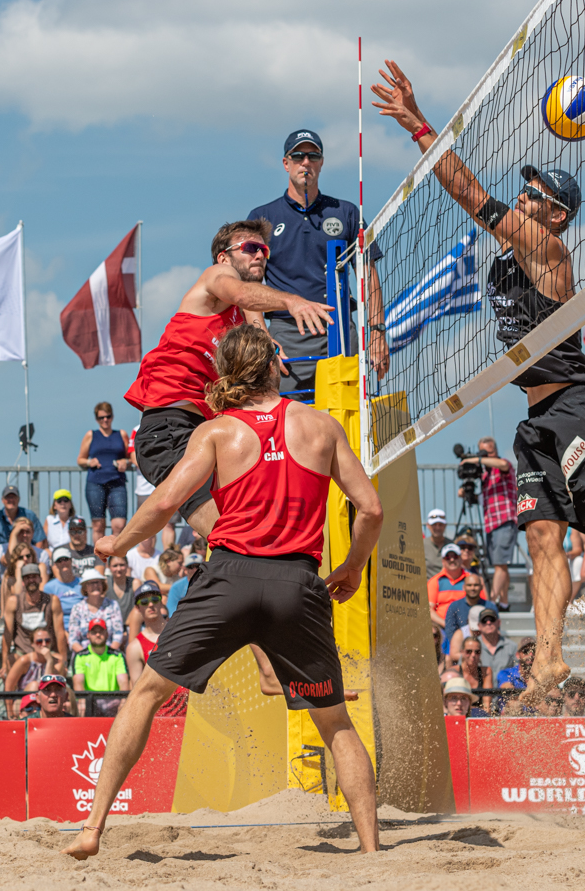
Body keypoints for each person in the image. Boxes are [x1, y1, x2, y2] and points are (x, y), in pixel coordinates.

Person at [370, 61, 585, 707]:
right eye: (522, 193)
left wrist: (419, 128)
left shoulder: (549, 251)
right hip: (536, 420)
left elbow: (470, 196)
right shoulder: (514, 253)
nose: (520, 199)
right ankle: (547, 659)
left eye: (531, 195)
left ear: (555, 215)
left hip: (577, 406)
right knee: (542, 537)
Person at [64, 324, 382, 860]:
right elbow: (370, 509)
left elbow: (166, 502)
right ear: (276, 364)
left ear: (227, 372)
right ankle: (372, 851)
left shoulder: (217, 431)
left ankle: (92, 828)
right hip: (298, 584)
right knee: (334, 722)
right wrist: (350, 566)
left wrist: (119, 544)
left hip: (230, 577)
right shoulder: (323, 427)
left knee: (145, 694)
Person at [123, 218, 332, 547]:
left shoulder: (239, 315)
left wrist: (266, 342)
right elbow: (243, 293)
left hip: (207, 433)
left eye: (264, 250)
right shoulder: (215, 278)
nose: (260, 255)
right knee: (231, 538)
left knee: (246, 525)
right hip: (169, 427)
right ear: (223, 256)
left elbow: (251, 309)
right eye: (250, 248)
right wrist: (291, 300)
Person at [246, 129, 388, 396]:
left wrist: (378, 332)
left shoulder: (345, 212)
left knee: (347, 420)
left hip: (339, 330)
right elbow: (249, 286)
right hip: (286, 334)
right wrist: (262, 339)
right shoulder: (262, 217)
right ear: (286, 163)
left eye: (313, 155)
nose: (306, 162)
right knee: (289, 422)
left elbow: (368, 274)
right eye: (298, 155)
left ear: (321, 162)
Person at [464, 437, 518, 608]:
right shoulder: (485, 475)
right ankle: (504, 603)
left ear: (495, 451)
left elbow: (503, 465)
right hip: (490, 524)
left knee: (500, 564)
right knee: (500, 564)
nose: (485, 456)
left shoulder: (503, 466)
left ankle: (490, 602)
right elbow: (482, 498)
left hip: (505, 520)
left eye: (488, 452)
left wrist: (476, 459)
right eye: (482, 452)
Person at [125, 582, 190, 716]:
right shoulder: (135, 647)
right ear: (138, 608)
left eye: (155, 599)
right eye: (144, 601)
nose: (150, 604)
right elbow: (138, 691)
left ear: (161, 603)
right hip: (161, 716)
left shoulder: (180, 631)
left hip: (191, 713)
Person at [78, 402, 130, 543]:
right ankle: (100, 559)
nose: (105, 420)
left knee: (119, 524)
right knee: (98, 525)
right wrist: (89, 462)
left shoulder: (121, 434)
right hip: (95, 483)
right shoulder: (91, 435)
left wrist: (126, 462)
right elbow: (80, 459)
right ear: (96, 419)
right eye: (101, 418)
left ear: (112, 417)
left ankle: (115, 558)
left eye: (108, 417)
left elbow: (130, 456)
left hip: (117, 482)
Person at [3, 563, 67, 674]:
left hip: (47, 652)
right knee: (10, 661)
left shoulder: (52, 601)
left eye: (34, 577)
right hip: (22, 653)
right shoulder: (14, 602)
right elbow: (7, 634)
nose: (31, 580)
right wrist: (4, 662)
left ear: (40, 579)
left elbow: (60, 633)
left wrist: (64, 661)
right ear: (23, 581)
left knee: (60, 662)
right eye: (27, 577)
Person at [74, 620, 130, 716]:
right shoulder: (81, 656)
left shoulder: (117, 656)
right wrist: (83, 702)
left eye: (101, 632)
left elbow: (123, 682)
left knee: (125, 705)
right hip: (90, 701)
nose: (98, 635)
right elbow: (78, 682)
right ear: (88, 635)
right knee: (81, 706)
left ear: (107, 634)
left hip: (113, 701)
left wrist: (123, 702)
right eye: (94, 632)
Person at [4, 626, 65, 715]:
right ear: (32, 644)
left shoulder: (57, 662)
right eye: (39, 641)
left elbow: (47, 686)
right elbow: (9, 687)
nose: (44, 644)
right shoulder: (24, 661)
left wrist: (49, 661)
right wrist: (10, 714)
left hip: (47, 702)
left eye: (47, 641)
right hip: (24, 704)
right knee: (34, 685)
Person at [67, 570, 124, 654]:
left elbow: (118, 634)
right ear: (85, 588)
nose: (95, 586)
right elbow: (73, 639)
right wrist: (86, 656)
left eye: (98, 582)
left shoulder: (112, 605)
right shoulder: (77, 608)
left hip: (108, 654)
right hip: (84, 656)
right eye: (91, 583)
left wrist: (108, 654)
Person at [441, 571, 493, 652]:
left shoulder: (490, 607)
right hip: (460, 647)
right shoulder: (454, 606)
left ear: (481, 587)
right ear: (464, 587)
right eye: (469, 585)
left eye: (476, 585)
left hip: (485, 648)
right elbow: (450, 630)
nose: (473, 588)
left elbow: (494, 630)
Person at [427, 544, 471, 629]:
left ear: (461, 559)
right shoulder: (435, 581)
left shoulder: (471, 580)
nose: (452, 559)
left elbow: (481, 604)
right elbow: (429, 610)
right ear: (442, 561)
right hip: (441, 628)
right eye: (447, 557)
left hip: (467, 628)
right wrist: (446, 624)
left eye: (455, 556)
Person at [43, 547, 82, 631]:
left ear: (71, 561)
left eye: (66, 559)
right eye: (59, 561)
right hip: (59, 629)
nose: (63, 562)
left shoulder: (82, 583)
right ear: (55, 564)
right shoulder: (49, 587)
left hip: (82, 627)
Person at [477, 608, 517, 683]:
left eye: (492, 619)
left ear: (499, 622)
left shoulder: (512, 647)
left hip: (505, 693)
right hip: (480, 693)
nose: (488, 622)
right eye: (484, 620)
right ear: (479, 626)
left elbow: (518, 672)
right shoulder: (472, 647)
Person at [106, 555, 136, 628]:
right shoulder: (105, 583)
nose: (119, 569)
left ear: (127, 566)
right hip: (110, 627)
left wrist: (126, 627)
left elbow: (139, 608)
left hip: (131, 626)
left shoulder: (135, 583)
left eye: (122, 565)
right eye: (115, 566)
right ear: (109, 567)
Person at [423, 509, 448, 580]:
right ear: (428, 525)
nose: (438, 527)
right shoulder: (421, 545)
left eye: (440, 525)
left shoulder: (452, 545)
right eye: (434, 524)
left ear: (445, 525)